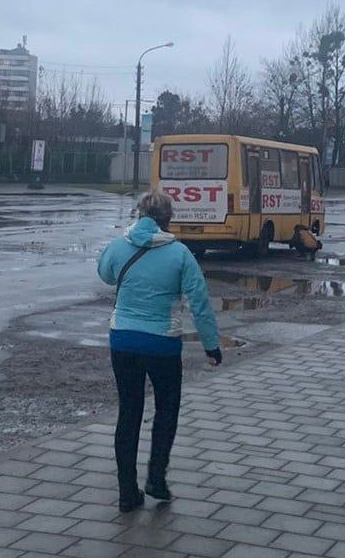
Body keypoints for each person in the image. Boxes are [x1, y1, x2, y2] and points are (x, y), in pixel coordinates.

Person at [97, 191, 221, 513]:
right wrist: (211, 345)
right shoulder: (180, 254)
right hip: (162, 344)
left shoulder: (119, 245)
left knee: (129, 412)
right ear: (169, 219)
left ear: (139, 214)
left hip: (123, 340)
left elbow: (106, 274)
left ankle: (127, 492)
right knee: (167, 408)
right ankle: (156, 477)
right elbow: (199, 302)